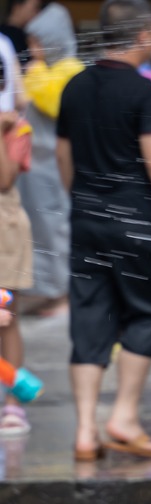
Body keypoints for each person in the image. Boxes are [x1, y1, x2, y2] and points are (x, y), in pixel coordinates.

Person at [56, 0, 151, 462]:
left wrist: (84, 200)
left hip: (85, 222)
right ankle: (123, 416)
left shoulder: (74, 87)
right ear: (143, 36)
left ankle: (84, 430)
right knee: (149, 309)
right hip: (135, 221)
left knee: (89, 317)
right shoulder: (144, 92)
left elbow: (64, 158)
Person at [16, 2, 83, 317]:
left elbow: (51, 104)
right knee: (41, 229)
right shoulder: (47, 71)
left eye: (37, 41)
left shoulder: (69, 72)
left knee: (55, 227)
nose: (33, 49)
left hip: (56, 167)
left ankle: (62, 295)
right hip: (37, 165)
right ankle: (48, 290)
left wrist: (34, 72)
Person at [0, 99, 33, 437]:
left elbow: (4, 179)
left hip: (4, 235)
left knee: (6, 320)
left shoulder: (16, 127)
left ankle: (15, 402)